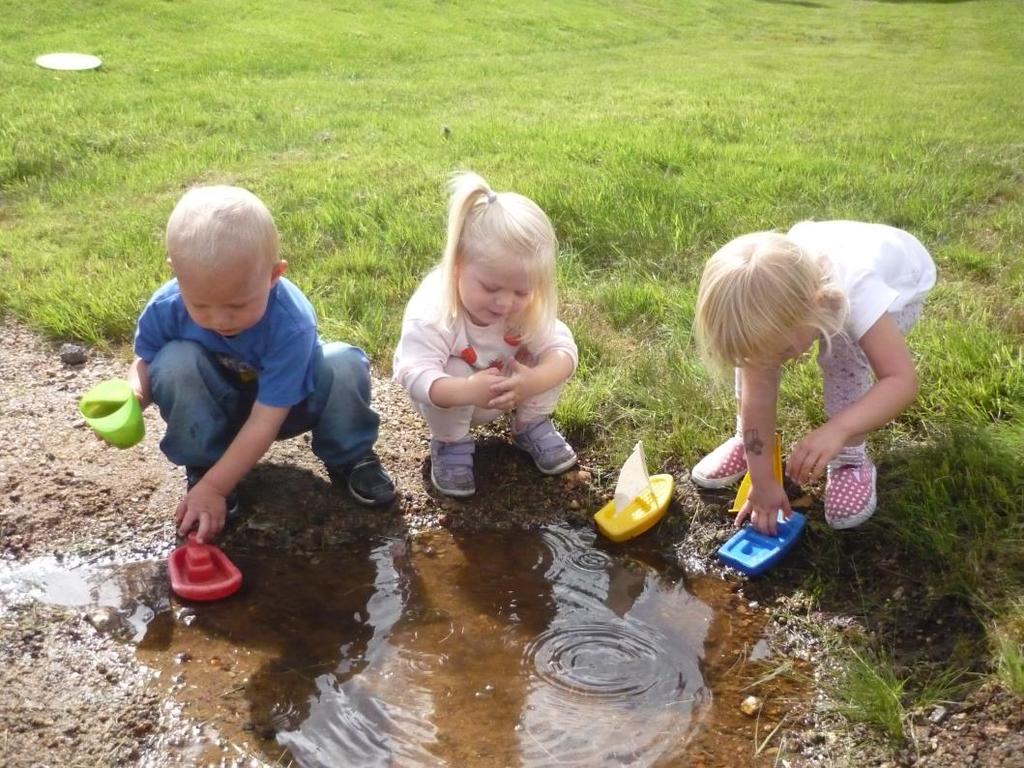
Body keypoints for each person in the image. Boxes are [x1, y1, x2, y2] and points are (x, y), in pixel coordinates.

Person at [128, 185, 395, 542]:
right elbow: (145, 362)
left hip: (287, 407)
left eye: (237, 305)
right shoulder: (168, 305)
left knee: (343, 362)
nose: (220, 319)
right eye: (201, 306)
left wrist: (217, 489)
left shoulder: (290, 321)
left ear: (274, 276)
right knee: (174, 361)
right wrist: (132, 398)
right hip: (216, 407)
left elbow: (265, 421)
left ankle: (349, 455)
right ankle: (206, 464)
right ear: (177, 274)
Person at [692, 220, 936, 533]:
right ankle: (749, 441)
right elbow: (760, 392)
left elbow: (901, 381)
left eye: (781, 353)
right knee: (755, 353)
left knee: (844, 357)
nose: (771, 364)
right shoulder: (775, 303)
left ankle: (850, 459)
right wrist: (764, 483)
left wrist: (839, 429)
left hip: (904, 280)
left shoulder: (860, 293)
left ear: (816, 307)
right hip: (830, 268)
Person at [393, 172, 578, 497]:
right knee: (455, 367)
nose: (505, 302)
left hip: (508, 387)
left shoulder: (526, 308)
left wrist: (531, 383)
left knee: (544, 356)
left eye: (521, 291)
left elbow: (564, 352)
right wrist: (466, 391)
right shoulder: (435, 311)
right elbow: (414, 373)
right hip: (451, 393)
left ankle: (530, 424)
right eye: (490, 288)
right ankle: (450, 443)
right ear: (458, 267)